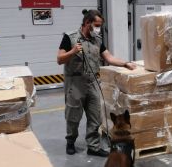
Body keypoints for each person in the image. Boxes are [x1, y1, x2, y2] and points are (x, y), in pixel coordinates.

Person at [57, 9, 136, 156]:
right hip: (75, 83)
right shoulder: (70, 37)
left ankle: (93, 147)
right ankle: (71, 141)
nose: (98, 28)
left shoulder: (97, 40)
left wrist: (125, 63)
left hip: (93, 82)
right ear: (87, 23)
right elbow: (59, 59)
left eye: (100, 25)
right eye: (97, 25)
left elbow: (109, 58)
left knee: (95, 116)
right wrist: (72, 51)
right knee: (73, 116)